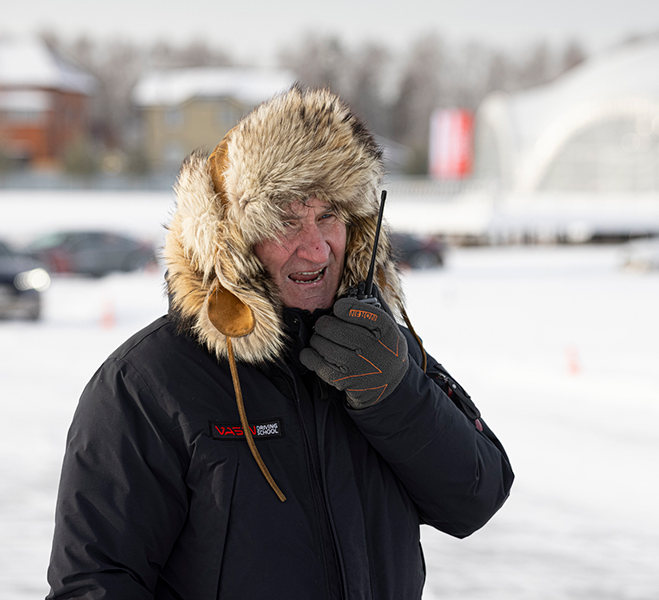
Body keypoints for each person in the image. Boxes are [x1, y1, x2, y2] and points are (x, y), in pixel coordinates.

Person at [46, 86, 513, 600]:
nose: (315, 248)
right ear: (234, 242)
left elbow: (477, 497)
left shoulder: (382, 351)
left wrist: (396, 395)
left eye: (329, 216)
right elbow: (94, 583)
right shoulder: (147, 383)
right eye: (286, 220)